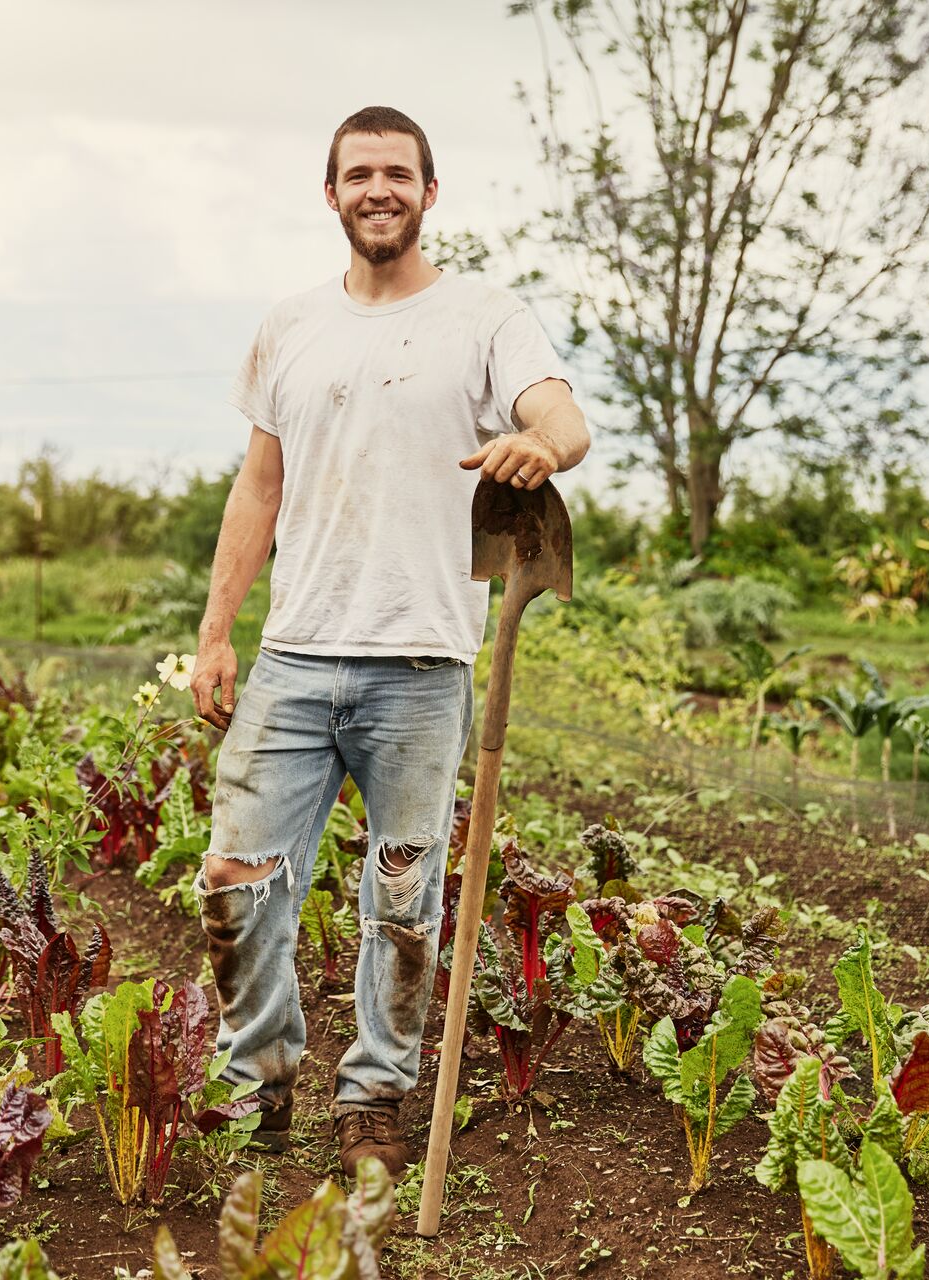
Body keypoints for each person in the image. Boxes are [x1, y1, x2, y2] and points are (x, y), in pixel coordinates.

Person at [187, 105, 590, 1179]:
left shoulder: (485, 317)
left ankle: (373, 1094)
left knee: (402, 894)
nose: (379, 189)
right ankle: (258, 1081)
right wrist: (217, 631)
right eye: (358, 173)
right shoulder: (290, 326)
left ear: (428, 192)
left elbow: (565, 420)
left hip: (421, 663)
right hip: (295, 653)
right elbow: (259, 485)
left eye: (398, 173)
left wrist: (532, 445)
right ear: (331, 194)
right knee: (237, 878)